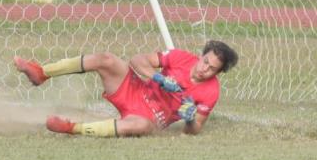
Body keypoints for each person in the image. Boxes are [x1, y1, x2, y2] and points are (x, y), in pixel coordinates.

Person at [13, 40, 238, 137]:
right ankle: (42, 73)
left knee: (141, 126)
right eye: (205, 61)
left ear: (218, 73)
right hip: (135, 89)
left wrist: (189, 118)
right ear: (201, 55)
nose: (203, 69)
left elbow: (194, 129)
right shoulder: (180, 57)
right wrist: (158, 78)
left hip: (149, 116)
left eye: (211, 69)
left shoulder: (211, 91)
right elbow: (137, 60)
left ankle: (71, 128)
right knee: (107, 59)